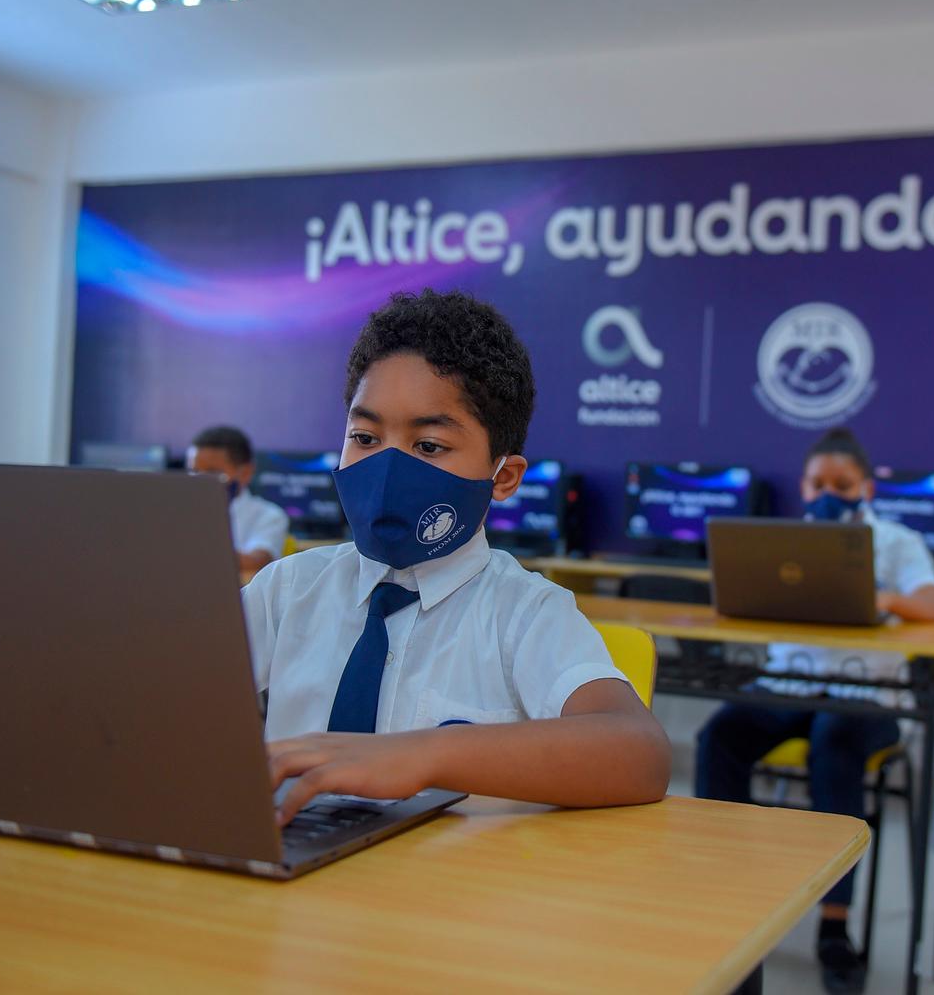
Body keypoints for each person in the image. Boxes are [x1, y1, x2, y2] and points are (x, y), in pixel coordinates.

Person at [242, 289, 671, 824]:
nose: (387, 466)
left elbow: (639, 753)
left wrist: (420, 755)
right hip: (286, 879)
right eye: (365, 436)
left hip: (444, 895)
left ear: (505, 477)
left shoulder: (525, 614)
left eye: (428, 446)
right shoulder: (285, 590)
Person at [694, 427, 934, 994]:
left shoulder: (896, 542)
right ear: (804, 488)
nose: (829, 493)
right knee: (722, 734)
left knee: (834, 743)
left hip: (867, 698)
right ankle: (723, 897)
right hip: (790, 685)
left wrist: (879, 597)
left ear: (865, 488)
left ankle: (835, 927)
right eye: (818, 483)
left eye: (843, 484)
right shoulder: (785, 540)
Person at [187, 425, 289, 574]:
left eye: (213, 472)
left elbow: (257, 562)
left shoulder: (269, 515)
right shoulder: (180, 510)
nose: (200, 480)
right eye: (194, 471)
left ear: (246, 472)